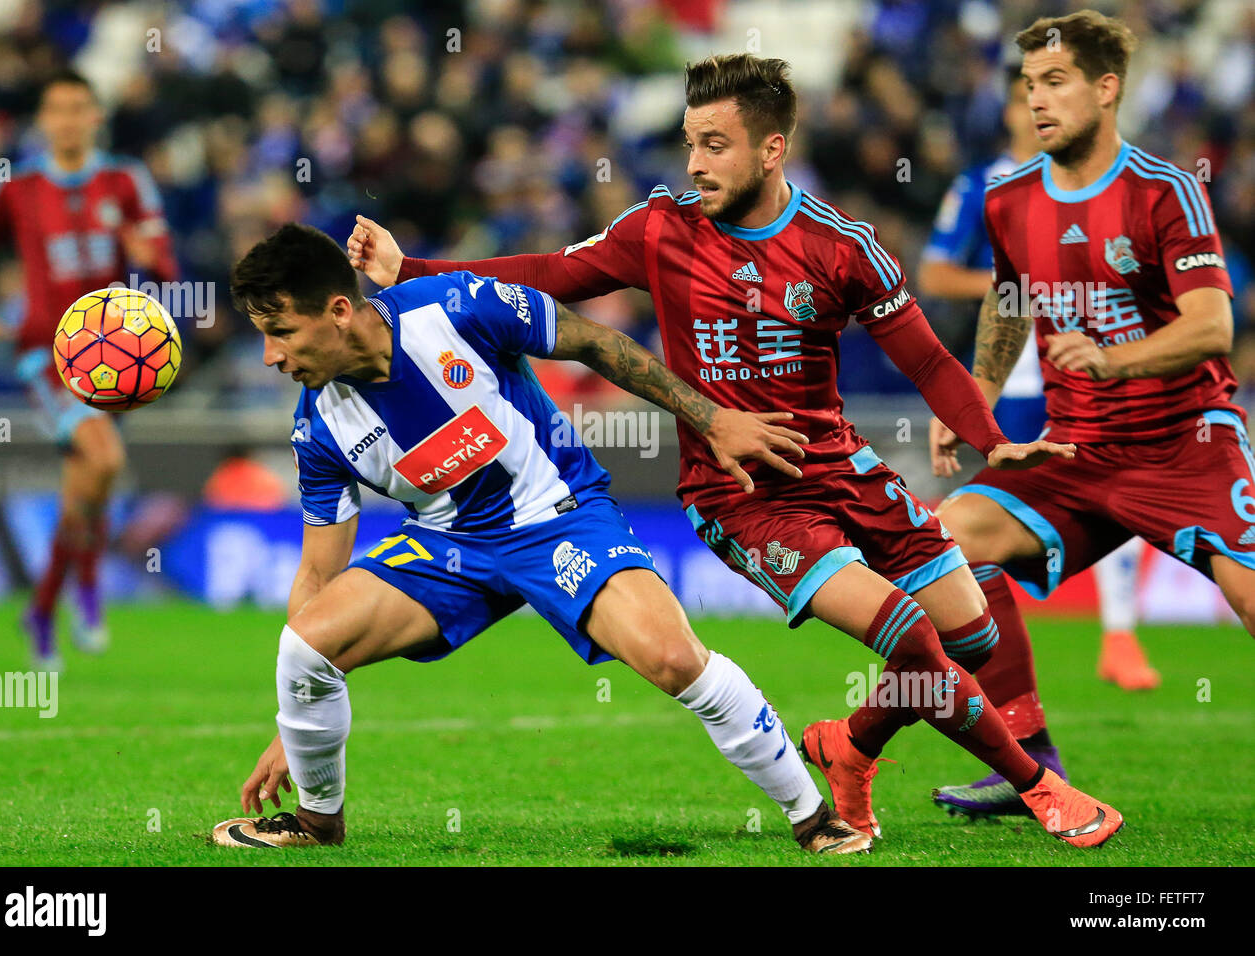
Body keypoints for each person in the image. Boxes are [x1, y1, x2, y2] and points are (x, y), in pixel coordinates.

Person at [347, 53, 1122, 847]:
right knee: (909, 630)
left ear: (772, 149)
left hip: (838, 465)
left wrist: (993, 439)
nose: (694, 163)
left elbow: (924, 358)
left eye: (715, 144)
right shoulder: (661, 229)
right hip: (741, 496)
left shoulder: (844, 247)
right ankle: (1043, 790)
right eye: (691, 142)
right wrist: (412, 269)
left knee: (972, 634)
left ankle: (849, 748)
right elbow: (548, 273)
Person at [211, 223, 871, 854]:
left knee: (672, 658)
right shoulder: (318, 425)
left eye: (281, 332)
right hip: (447, 546)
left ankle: (814, 818)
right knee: (304, 645)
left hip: (556, 515)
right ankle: (317, 824)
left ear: (338, 311)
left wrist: (711, 419)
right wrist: (292, 722)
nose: (271, 356)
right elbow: (317, 579)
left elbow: (593, 342)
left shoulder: (457, 306)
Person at [927, 10, 1253, 817]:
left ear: (1106, 90)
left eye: (1056, 82)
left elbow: (1214, 324)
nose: (1036, 101)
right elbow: (1009, 298)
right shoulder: (1008, 199)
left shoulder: (1164, 191)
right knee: (943, 545)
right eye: (1030, 84)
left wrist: (1114, 358)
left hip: (1186, 448)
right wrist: (975, 398)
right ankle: (1029, 762)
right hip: (1077, 455)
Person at [0, 69, 177, 669]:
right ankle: (83, 590)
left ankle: (47, 604)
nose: (67, 120)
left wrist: (148, 258)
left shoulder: (125, 180)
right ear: (44, 120)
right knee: (104, 460)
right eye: (56, 110)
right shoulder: (17, 185)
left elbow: (168, 266)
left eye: (79, 108)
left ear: (95, 116)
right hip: (45, 355)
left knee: (86, 487)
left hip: (119, 359)